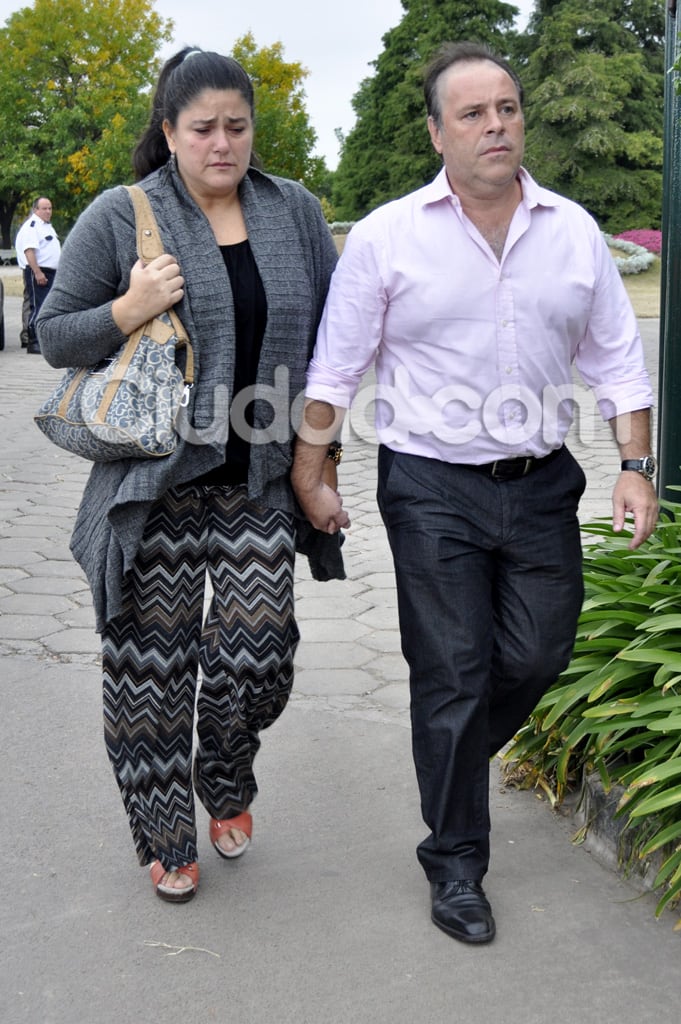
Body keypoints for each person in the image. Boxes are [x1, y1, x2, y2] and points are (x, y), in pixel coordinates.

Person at [291, 41, 658, 944]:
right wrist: (311, 468)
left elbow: (616, 357)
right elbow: (336, 366)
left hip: (540, 486)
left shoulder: (572, 231)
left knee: (536, 653)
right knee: (450, 673)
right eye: (472, 113)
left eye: (507, 107)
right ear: (435, 132)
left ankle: (445, 751)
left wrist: (636, 468)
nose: (496, 125)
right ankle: (455, 862)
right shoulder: (384, 236)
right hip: (428, 488)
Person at [38, 48, 341, 902]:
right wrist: (128, 309)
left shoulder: (294, 213)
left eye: (236, 126)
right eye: (202, 128)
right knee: (151, 671)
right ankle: (166, 835)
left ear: (254, 128)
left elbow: (334, 349)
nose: (222, 143)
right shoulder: (121, 214)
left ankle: (224, 768)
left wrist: (321, 465)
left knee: (259, 654)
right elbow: (56, 335)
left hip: (259, 481)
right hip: (155, 487)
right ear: (168, 131)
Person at [15, 197, 60, 353]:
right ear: (35, 210)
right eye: (44, 208)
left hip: (50, 272)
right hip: (39, 272)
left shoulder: (46, 227)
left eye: (50, 208)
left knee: (47, 307)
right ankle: (33, 342)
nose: (48, 211)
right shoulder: (32, 227)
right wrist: (38, 273)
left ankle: (43, 340)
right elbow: (29, 252)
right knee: (38, 307)